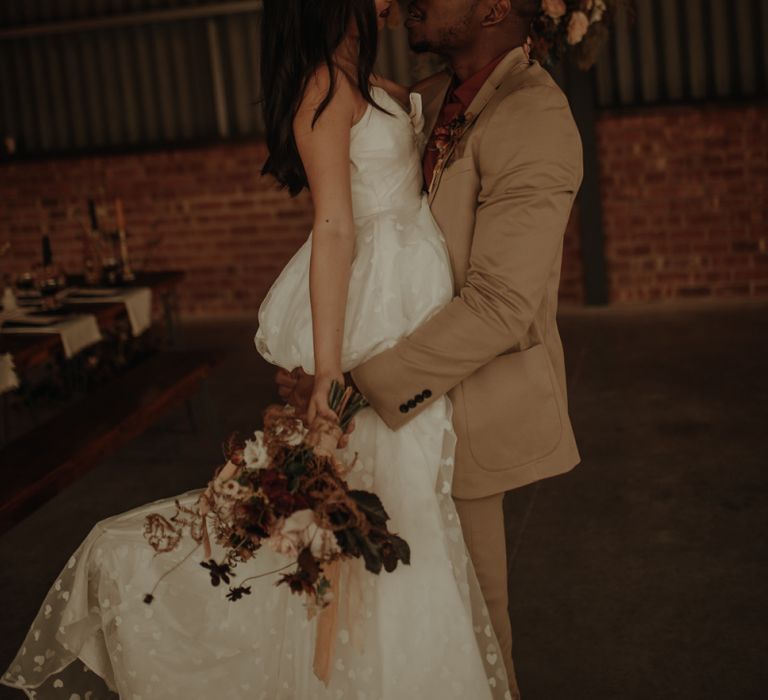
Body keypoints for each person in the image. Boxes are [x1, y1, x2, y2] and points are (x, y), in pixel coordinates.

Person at [1, 1, 514, 698]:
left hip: (412, 299)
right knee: (382, 493)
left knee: (406, 493)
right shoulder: (321, 91)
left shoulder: (368, 79)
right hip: (381, 309)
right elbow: (334, 227)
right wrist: (329, 377)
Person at [277, 0, 584, 695]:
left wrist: (354, 383)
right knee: (383, 605)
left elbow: (501, 304)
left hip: (464, 404)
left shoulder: (534, 118)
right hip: (397, 395)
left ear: (495, 8)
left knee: (472, 618)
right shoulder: (432, 95)